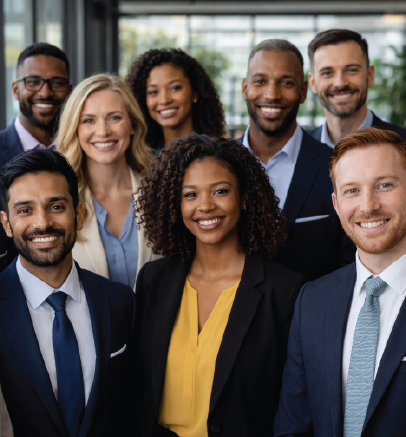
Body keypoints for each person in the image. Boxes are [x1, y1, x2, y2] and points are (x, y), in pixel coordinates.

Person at [134, 134, 307, 436]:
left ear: (244, 197)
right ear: (175, 203)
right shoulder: (153, 280)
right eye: (190, 194)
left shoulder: (285, 292)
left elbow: (292, 405)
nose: (205, 206)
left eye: (220, 191)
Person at [274, 127, 406, 437]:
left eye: (384, 185)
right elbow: (294, 425)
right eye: (352, 190)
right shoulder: (312, 301)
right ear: (336, 204)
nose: (368, 205)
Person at [0, 149, 135, 436]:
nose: (42, 223)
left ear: (79, 213)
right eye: (25, 210)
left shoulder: (121, 302)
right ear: (6, 224)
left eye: (56, 207)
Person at [236, 38, 355, 280]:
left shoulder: (337, 166)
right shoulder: (218, 164)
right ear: (244, 88)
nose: (272, 94)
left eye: (286, 83)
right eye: (260, 81)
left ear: (302, 91)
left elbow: (349, 268)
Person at [57, 74, 160, 291]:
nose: (103, 131)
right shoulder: (59, 203)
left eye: (114, 118)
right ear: (75, 129)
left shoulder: (160, 193)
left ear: (132, 124)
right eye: (89, 120)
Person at [0, 42, 72, 273]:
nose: (45, 92)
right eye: (33, 82)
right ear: (15, 89)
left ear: (69, 90)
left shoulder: (85, 151)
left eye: (56, 83)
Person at [308, 29, 406, 147]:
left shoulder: (402, 144)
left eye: (351, 70)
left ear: (370, 76)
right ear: (313, 83)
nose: (340, 83)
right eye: (327, 73)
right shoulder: (300, 149)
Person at [125, 48, 225, 154]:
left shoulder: (217, 155)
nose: (164, 100)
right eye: (153, 92)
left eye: (175, 88)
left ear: (195, 92)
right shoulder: (141, 160)